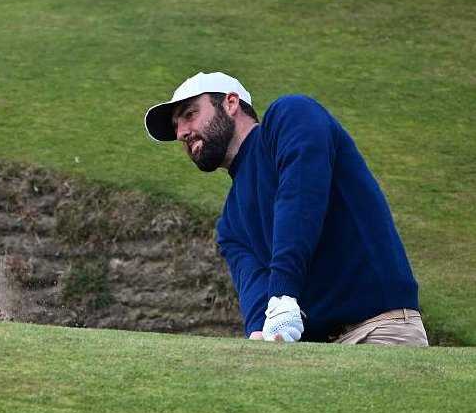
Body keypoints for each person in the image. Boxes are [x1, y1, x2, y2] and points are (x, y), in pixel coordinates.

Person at [143, 71, 428, 345]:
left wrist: (283, 293)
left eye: (190, 114)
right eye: (176, 126)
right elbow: (256, 294)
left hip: (377, 328)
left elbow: (301, 198)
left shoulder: (292, 116)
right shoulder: (230, 223)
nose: (181, 133)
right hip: (314, 352)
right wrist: (261, 333)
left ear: (230, 103)